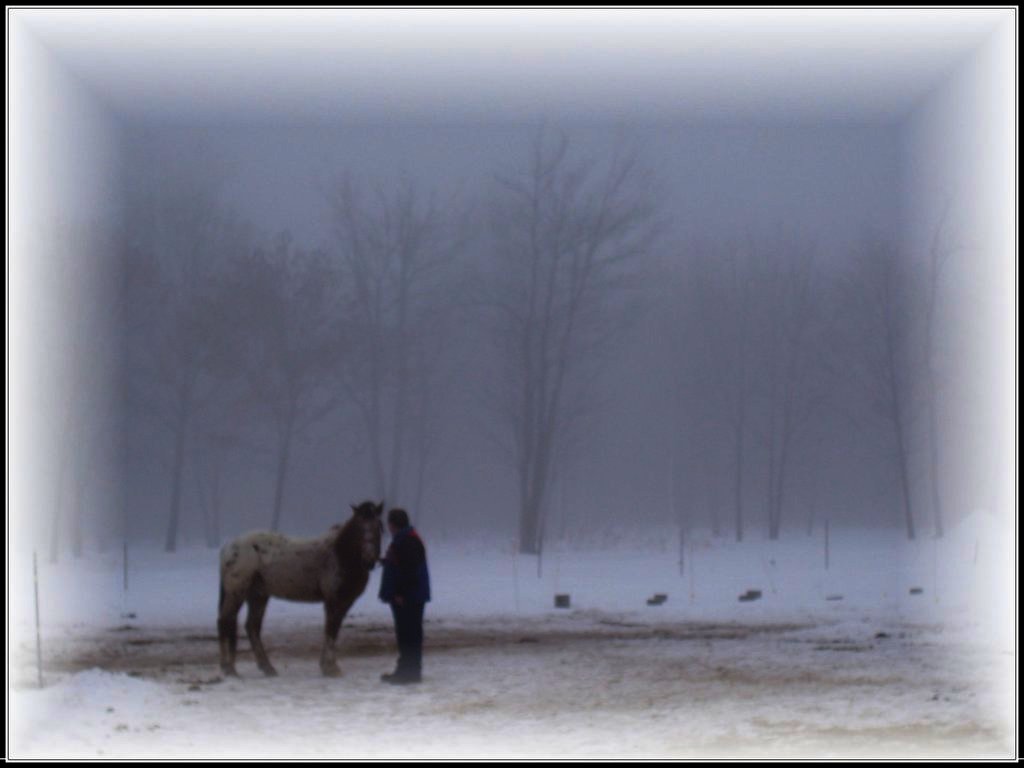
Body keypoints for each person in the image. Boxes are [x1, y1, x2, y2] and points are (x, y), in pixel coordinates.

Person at [378, 508, 431, 684]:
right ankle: (405, 670)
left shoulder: (407, 541)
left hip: (409, 598)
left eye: (389, 523)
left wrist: (400, 593)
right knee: (407, 634)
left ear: (393, 524)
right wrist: (385, 562)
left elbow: (410, 570)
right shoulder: (406, 538)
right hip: (410, 596)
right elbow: (402, 563)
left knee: (409, 635)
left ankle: (410, 673)